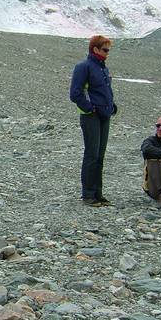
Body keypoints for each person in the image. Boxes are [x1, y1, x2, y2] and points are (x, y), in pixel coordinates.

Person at [69, 34, 117, 207]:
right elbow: (75, 93)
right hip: (91, 116)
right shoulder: (84, 67)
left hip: (104, 115)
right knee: (91, 154)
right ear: (95, 49)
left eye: (108, 50)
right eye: (105, 50)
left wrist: (112, 105)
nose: (107, 53)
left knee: (100, 156)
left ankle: (98, 193)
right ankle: (88, 194)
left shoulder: (103, 68)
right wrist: (91, 108)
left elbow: (104, 90)